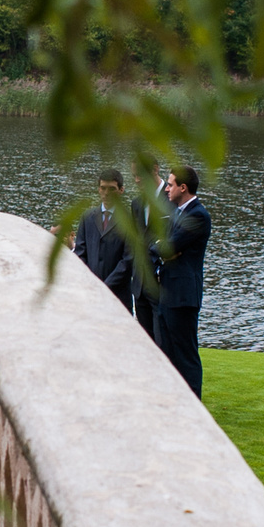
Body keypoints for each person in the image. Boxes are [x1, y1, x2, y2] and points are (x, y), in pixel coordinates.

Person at [152, 166, 212, 397]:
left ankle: (194, 404)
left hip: (183, 296)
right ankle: (175, 403)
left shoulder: (197, 215)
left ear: (183, 187)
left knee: (185, 355)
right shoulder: (177, 213)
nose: (167, 189)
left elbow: (167, 247)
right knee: (168, 352)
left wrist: (165, 248)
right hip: (167, 291)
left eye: (170, 184)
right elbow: (157, 247)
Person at [72, 168, 143, 313]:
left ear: (121, 190)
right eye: (103, 188)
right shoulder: (87, 217)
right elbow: (80, 252)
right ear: (98, 189)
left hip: (119, 296)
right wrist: (89, 281)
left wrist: (104, 286)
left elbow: (128, 260)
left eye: (111, 189)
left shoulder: (130, 221)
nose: (106, 193)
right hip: (90, 293)